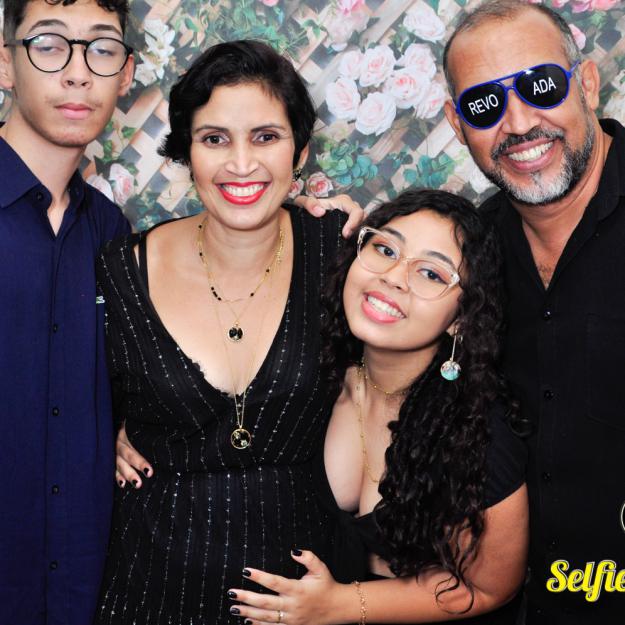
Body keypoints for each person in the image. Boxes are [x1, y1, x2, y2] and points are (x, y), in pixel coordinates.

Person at [95, 39, 363, 625]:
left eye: (265, 137)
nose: (241, 164)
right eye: (215, 139)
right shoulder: (120, 268)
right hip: (149, 589)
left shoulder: (344, 254)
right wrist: (99, 431)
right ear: (187, 151)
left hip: (305, 596)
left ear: (300, 151)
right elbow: (62, 393)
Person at [227, 188, 529, 624]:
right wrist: (134, 432)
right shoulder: (313, 378)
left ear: (462, 317)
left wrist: (339, 604)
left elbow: (490, 587)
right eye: (385, 249)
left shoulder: (476, 431)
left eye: (431, 274)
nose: (393, 277)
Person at [442, 1, 625, 623]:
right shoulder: (468, 252)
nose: (518, 122)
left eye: (540, 86)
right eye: (485, 104)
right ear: (457, 123)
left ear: (587, 84)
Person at [0, 1, 134, 624]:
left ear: (125, 75)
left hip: (82, 592)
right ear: (6, 63)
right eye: (50, 45)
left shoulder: (113, 233)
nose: (78, 72)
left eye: (102, 49)